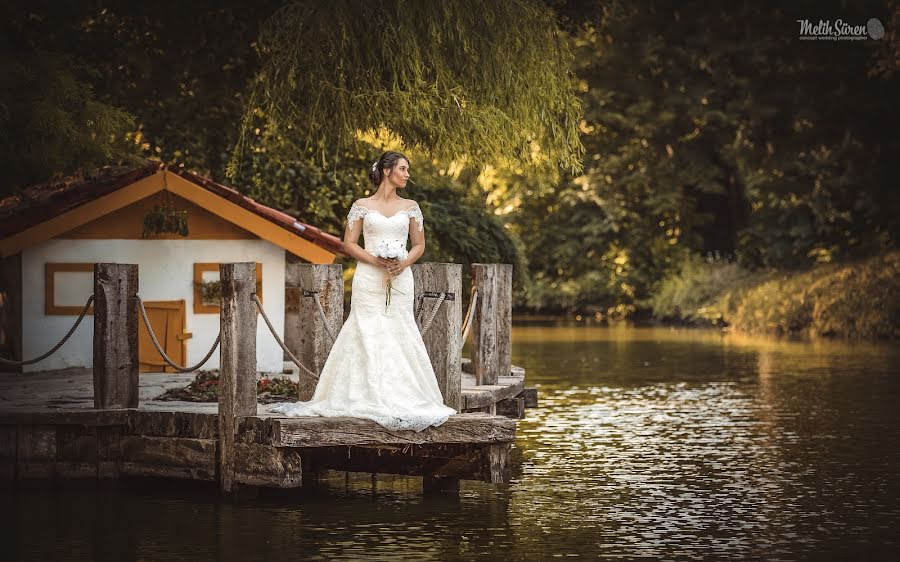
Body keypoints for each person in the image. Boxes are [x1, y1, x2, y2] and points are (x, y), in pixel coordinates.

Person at [269, 151, 457, 431]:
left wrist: (402, 263)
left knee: (400, 328)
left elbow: (418, 244)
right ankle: (361, 395)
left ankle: (403, 395)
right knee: (365, 328)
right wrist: (376, 260)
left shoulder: (411, 206)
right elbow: (349, 244)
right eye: (403, 169)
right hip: (369, 277)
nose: (407, 174)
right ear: (386, 171)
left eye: (407, 170)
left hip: (401, 277)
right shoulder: (361, 205)